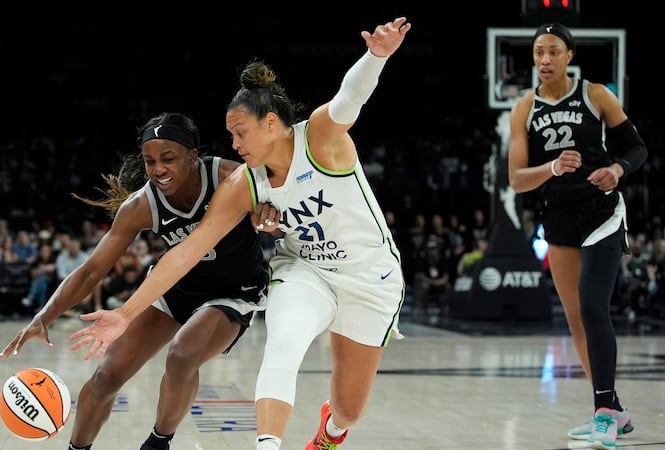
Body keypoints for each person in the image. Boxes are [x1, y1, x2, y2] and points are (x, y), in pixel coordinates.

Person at [68, 17, 411, 450]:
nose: (233, 144)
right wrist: (125, 314)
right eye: (230, 135)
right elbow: (186, 251)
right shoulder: (244, 182)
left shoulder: (321, 138)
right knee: (282, 342)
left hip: (370, 277)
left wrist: (376, 57)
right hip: (305, 270)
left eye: (239, 132)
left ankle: (332, 430)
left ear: (271, 123)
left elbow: (350, 98)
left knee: (350, 408)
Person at [0, 112, 271, 450]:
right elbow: (90, 271)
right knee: (106, 376)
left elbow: (283, 212)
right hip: (175, 288)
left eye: (168, 159)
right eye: (150, 161)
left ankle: (157, 443)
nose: (157, 169)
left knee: (183, 354)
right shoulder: (142, 204)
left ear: (192, 156)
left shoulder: (232, 177)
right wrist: (44, 317)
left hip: (234, 291)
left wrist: (268, 213)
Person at [507, 23, 647, 450]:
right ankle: (612, 411)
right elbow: (516, 179)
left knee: (592, 304)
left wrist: (618, 170)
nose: (544, 60)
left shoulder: (596, 95)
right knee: (575, 319)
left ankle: (603, 411)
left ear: (569, 55)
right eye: (538, 53)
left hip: (601, 212)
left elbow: (637, 149)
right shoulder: (523, 109)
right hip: (560, 218)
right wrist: (551, 168)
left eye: (553, 51)